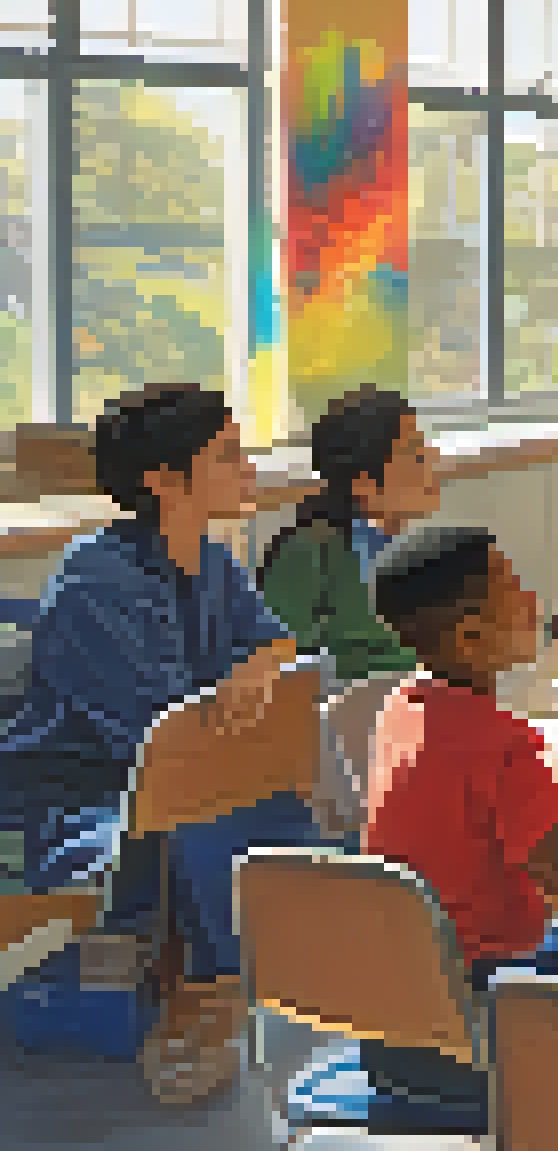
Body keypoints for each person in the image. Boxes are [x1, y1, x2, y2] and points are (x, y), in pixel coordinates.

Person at [0, 383, 322, 1104]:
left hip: (183, 774)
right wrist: (237, 692)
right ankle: (214, 1007)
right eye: (228, 458)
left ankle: (267, 994)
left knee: (273, 801)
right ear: (162, 480)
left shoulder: (212, 560)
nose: (249, 472)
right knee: (213, 820)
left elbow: (274, 643)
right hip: (76, 800)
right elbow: (153, 735)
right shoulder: (95, 581)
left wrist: (252, 670)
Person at [363, 525, 558, 1105]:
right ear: (472, 634)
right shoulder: (502, 744)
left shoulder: (402, 706)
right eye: (513, 589)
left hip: (395, 1016)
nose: (532, 599)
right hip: (486, 1018)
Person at [256, 385, 443, 683]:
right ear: (365, 484)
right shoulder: (306, 555)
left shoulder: (422, 552)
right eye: (416, 456)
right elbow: (285, 670)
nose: (431, 464)